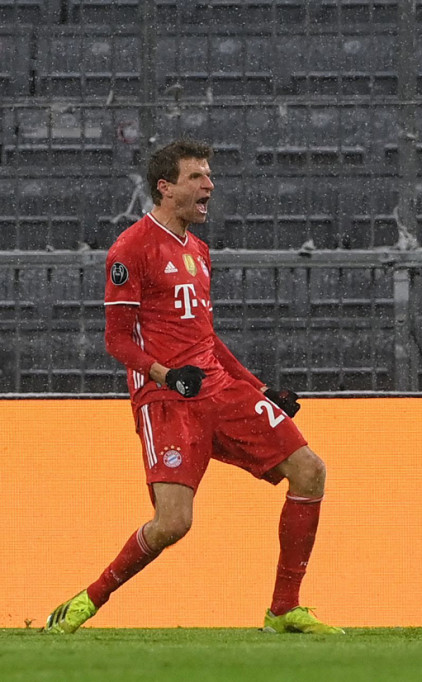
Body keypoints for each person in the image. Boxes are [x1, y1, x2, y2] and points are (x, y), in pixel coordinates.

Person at [43, 139, 341, 635]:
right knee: (173, 524)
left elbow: (205, 336)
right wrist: (166, 376)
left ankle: (285, 608)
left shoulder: (198, 250)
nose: (210, 185)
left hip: (218, 388)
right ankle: (87, 601)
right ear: (166, 188)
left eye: (208, 175)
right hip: (167, 399)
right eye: (197, 178)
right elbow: (116, 340)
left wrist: (260, 388)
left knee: (310, 471)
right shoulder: (130, 248)